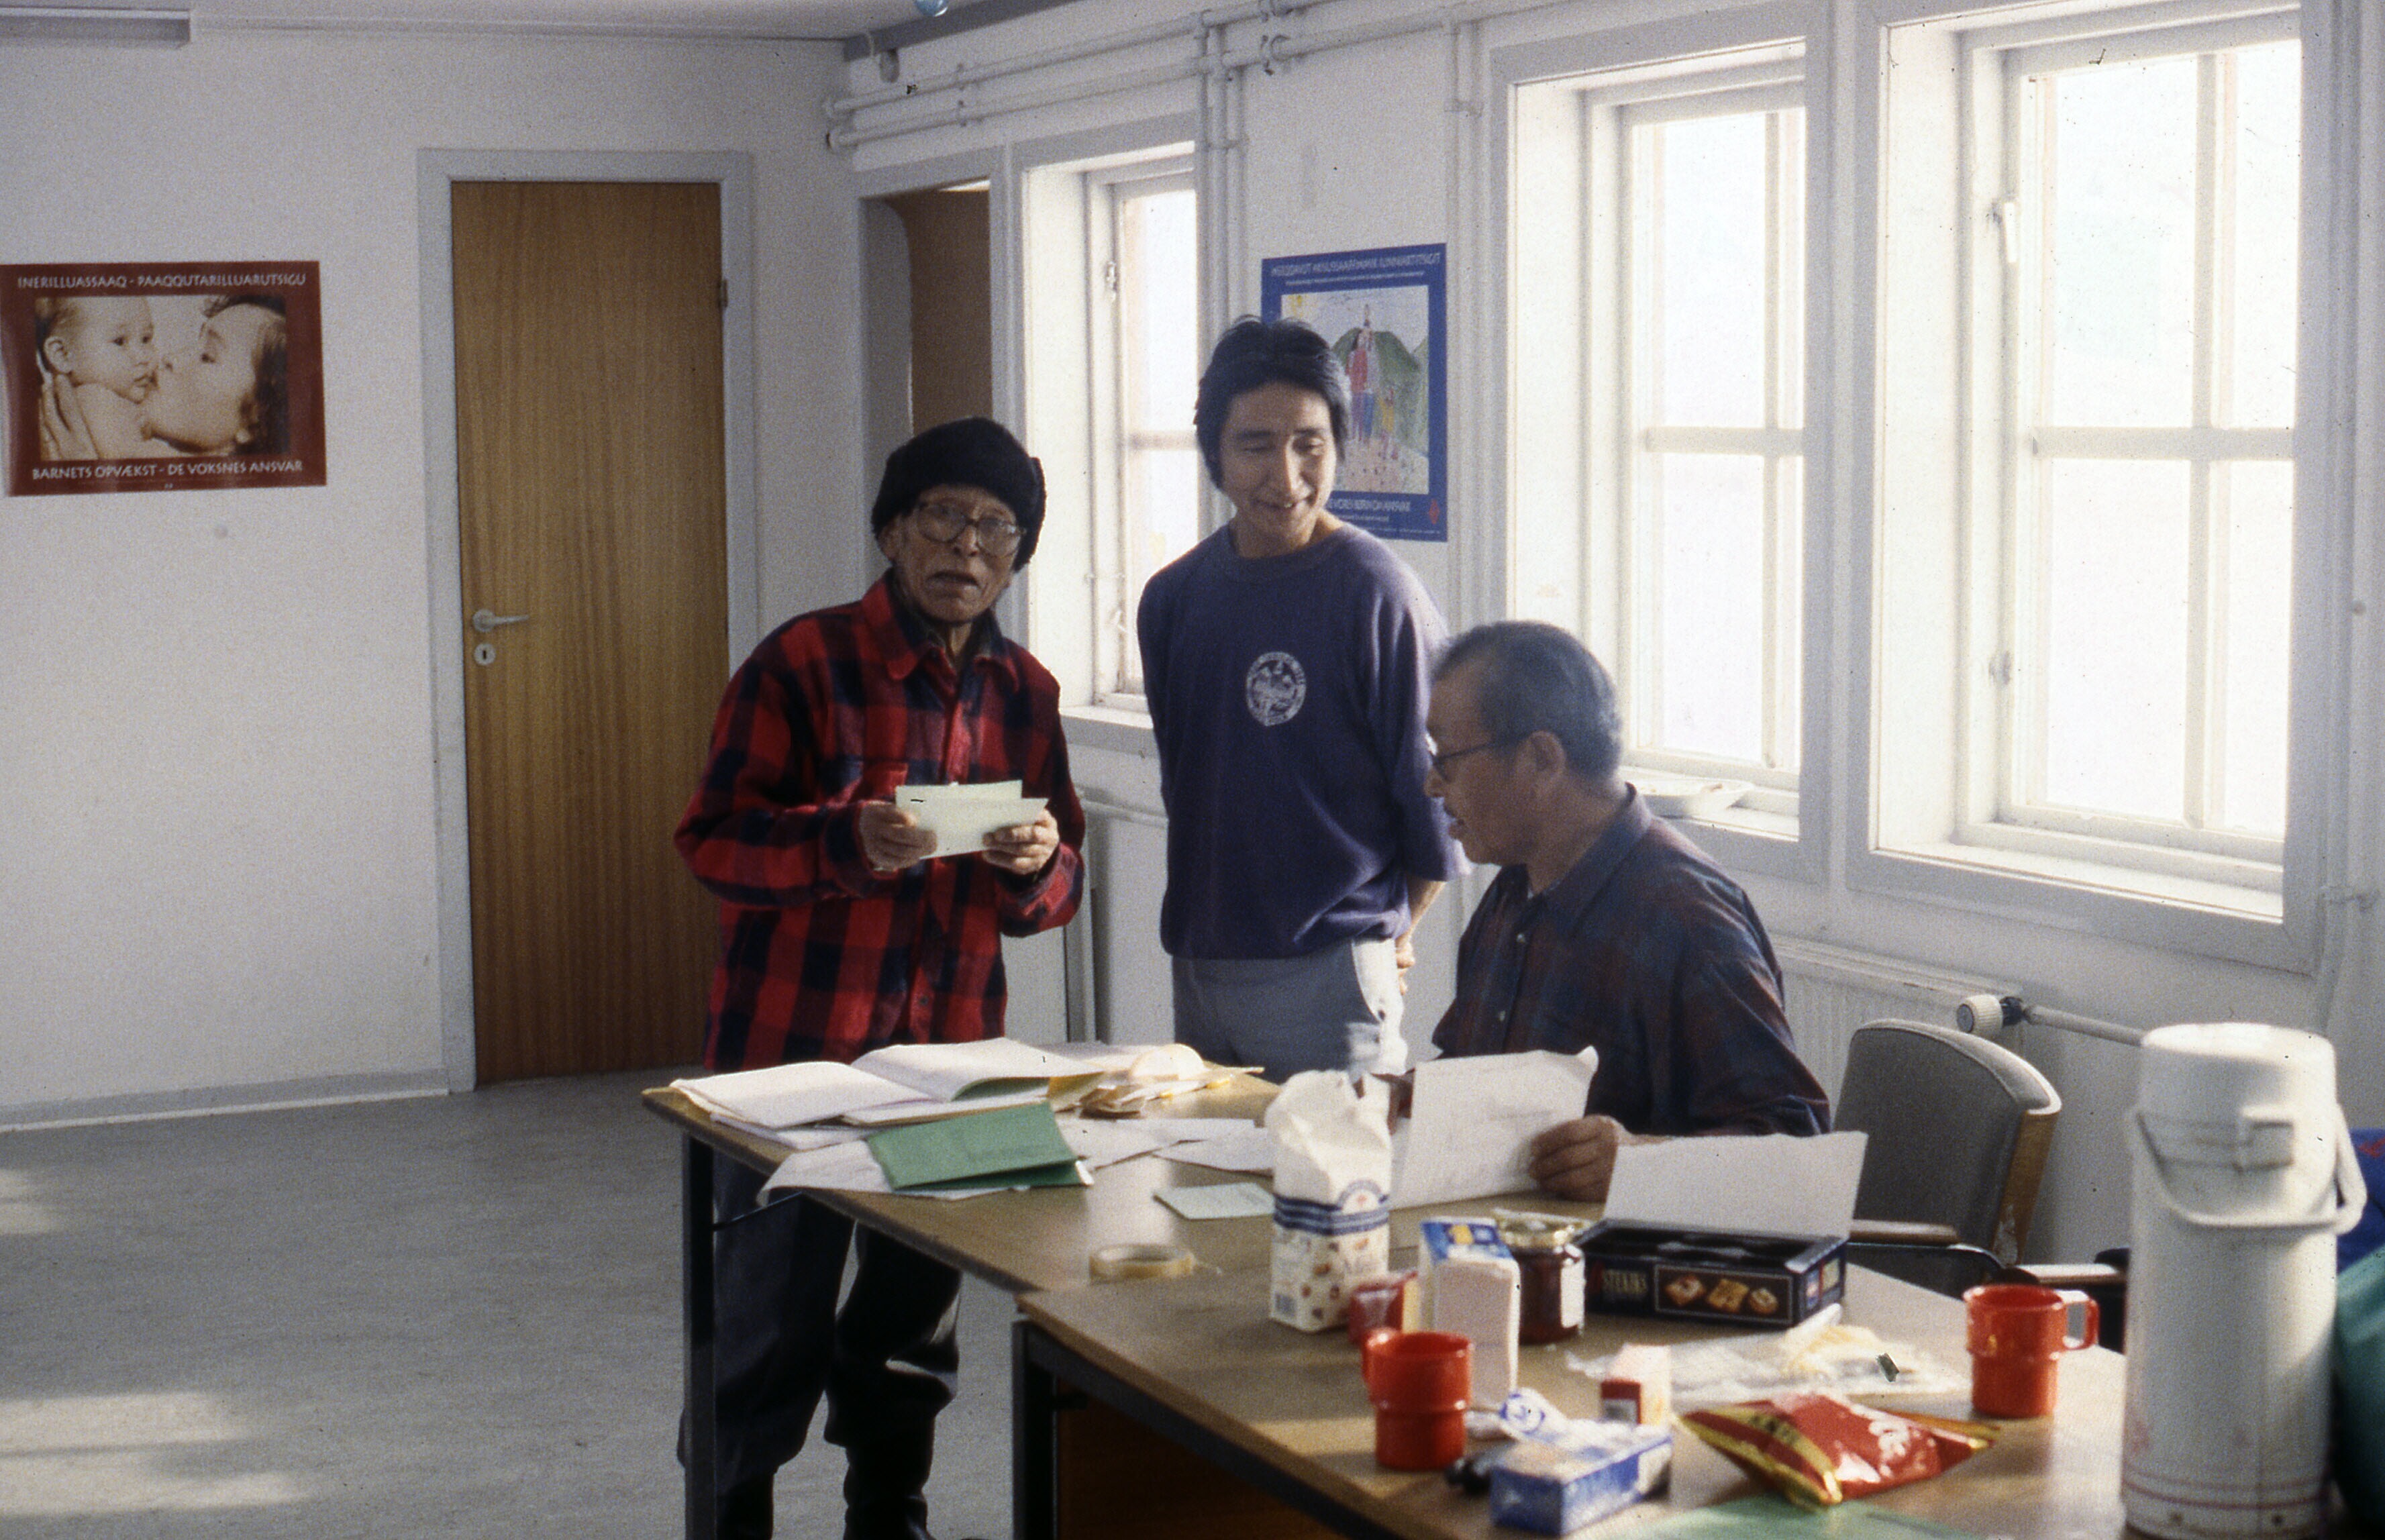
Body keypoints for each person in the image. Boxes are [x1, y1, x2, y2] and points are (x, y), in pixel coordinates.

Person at [674, 416, 1084, 1540]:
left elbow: (1056, 888)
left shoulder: (1025, 692)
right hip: (788, 1062)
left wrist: (1038, 864)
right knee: (763, 1325)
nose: (967, 546)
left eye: (995, 528)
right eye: (942, 518)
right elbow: (712, 842)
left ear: (1016, 556)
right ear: (893, 532)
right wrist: (840, 839)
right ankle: (730, 1516)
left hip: (949, 1067)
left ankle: (887, 1515)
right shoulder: (800, 663)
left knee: (913, 1320)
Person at [1137, 317, 1459, 1082]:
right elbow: (1187, 785)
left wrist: (1388, 937)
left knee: (1340, 1163)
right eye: (1255, 446)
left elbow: (1438, 804)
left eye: (1309, 444)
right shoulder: (1173, 598)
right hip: (1201, 971)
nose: (1286, 479)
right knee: (1203, 1160)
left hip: (1331, 973)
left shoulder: (1377, 594)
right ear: (1215, 455)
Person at [1423, 621, 1829, 1203]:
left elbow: (1798, 1147)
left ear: (1541, 759)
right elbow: (1471, 1069)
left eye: (1448, 759)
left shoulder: (1686, 917)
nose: (1432, 785)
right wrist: (1408, 1098)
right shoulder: (1517, 885)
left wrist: (1640, 1161)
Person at [38, 293, 289, 461]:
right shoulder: (93, 403)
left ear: (255, 420)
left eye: (207, 357)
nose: (170, 358)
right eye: (195, 342)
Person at [32, 294, 160, 460]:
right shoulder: (93, 398)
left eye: (146, 339)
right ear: (62, 354)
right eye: (119, 341)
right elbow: (136, 458)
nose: (144, 357)